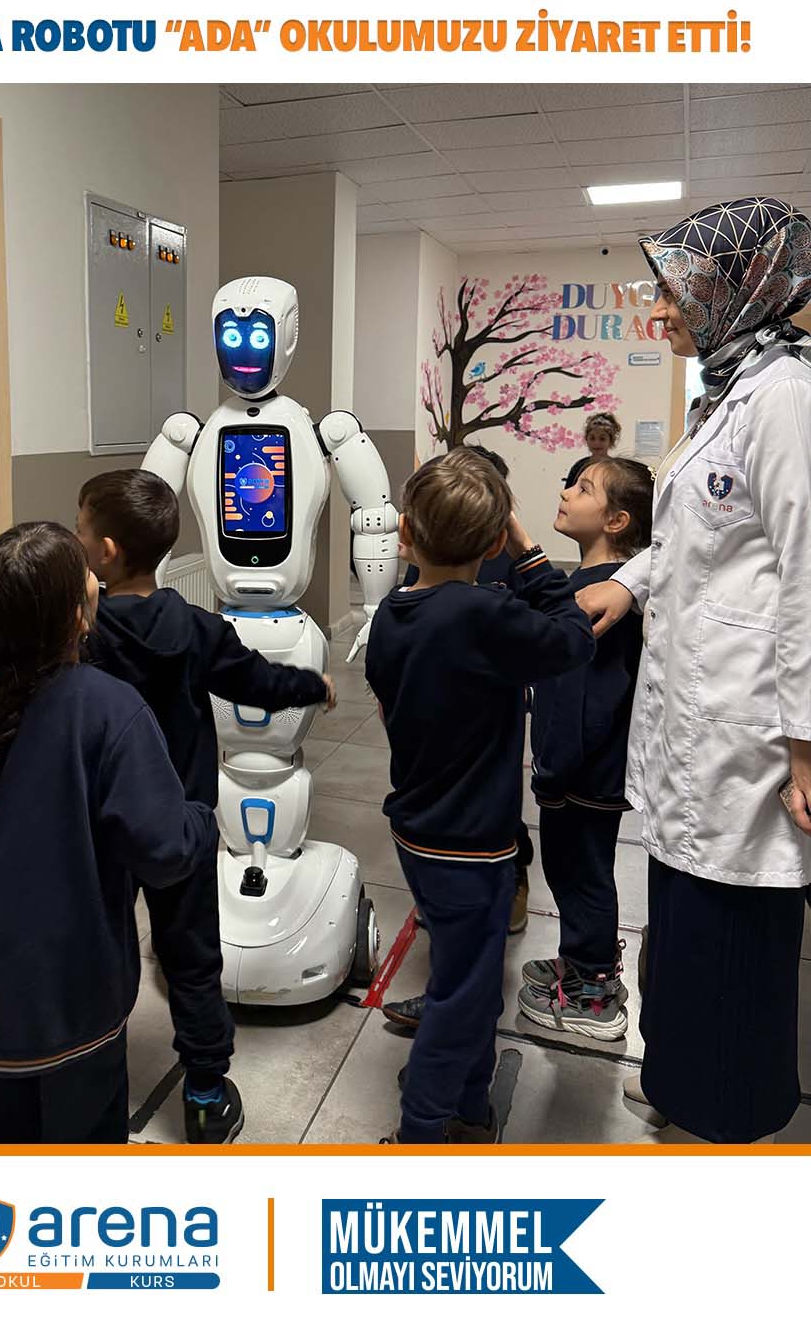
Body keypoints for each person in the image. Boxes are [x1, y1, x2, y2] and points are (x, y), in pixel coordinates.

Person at [577, 196, 811, 1143]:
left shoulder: (786, 397)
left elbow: (806, 570)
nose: (661, 310)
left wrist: (805, 742)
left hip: (747, 731)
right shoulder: (724, 389)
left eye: (677, 291)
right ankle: (675, 1084)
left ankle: (729, 1117)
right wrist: (628, 582)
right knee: (678, 921)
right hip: (692, 724)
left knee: (730, 936)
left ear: (739, 290)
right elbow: (693, 539)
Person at [0, 523, 218, 1145]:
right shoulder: (111, 710)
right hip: (72, 1010)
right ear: (77, 617)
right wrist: (201, 818)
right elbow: (167, 851)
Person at [76, 470, 335, 1144]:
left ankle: (90, 1074)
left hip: (102, 823)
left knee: (98, 948)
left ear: (105, 551)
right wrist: (312, 685)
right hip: (182, 821)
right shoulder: (198, 628)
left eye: (80, 529)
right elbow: (258, 683)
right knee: (191, 957)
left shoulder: (85, 634)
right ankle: (204, 1091)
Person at [367, 450, 595, 1144]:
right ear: (496, 542)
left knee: (471, 972)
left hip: (417, 830)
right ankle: (421, 1130)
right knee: (461, 999)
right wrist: (531, 553)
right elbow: (574, 638)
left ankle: (471, 1103)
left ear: (405, 532)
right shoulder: (488, 615)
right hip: (473, 846)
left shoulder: (391, 615)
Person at [517, 457, 654, 1040]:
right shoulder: (593, 583)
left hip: (581, 772)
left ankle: (594, 993)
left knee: (581, 874)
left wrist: (554, 769)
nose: (567, 492)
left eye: (583, 488)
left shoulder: (599, 598)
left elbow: (584, 700)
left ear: (617, 520)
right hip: (583, 769)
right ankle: (580, 960)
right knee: (573, 870)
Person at [390, 443, 532, 969]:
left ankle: (504, 889)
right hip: (446, 784)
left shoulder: (500, 583)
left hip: (460, 801)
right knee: (466, 954)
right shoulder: (410, 601)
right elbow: (570, 639)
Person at [563, 411, 622, 490]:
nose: (596, 443)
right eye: (592, 438)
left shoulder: (617, 468)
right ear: (586, 439)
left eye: (602, 439)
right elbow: (568, 492)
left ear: (611, 441)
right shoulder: (579, 466)